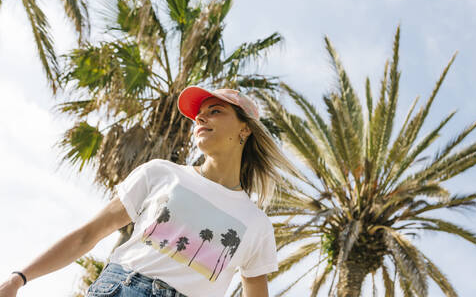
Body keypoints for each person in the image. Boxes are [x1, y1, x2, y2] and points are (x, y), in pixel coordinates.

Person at [0, 86, 302, 297]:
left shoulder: (255, 223)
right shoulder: (161, 173)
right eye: (199, 113)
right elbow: (87, 234)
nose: (200, 118)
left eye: (215, 111)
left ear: (244, 129)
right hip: (121, 288)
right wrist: (18, 279)